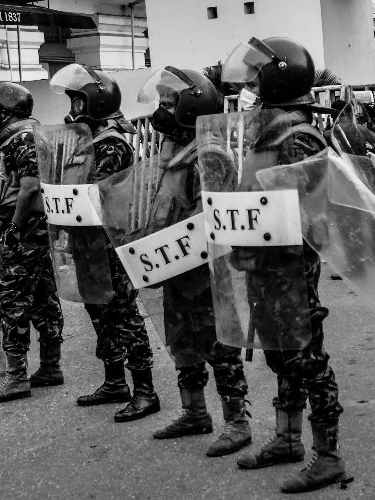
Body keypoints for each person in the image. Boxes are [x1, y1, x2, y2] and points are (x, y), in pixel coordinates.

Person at [217, 36, 350, 493]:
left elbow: (314, 211)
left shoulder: (298, 136)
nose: (249, 87)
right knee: (279, 353)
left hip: (290, 268)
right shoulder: (267, 131)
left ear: (277, 79)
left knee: (306, 357)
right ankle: (287, 439)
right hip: (261, 264)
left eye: (256, 78)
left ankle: (328, 456)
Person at [115, 66, 255, 457]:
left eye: (168, 102)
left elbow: (211, 220)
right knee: (181, 340)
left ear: (191, 105)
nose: (159, 110)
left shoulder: (209, 154)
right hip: (174, 267)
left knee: (218, 343)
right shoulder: (172, 150)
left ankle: (237, 421)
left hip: (204, 271)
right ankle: (194, 412)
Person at [51, 64, 160, 422]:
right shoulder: (87, 141)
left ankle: (145, 390)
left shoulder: (111, 144)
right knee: (98, 310)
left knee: (123, 315)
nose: (73, 107)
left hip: (111, 243)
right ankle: (115, 380)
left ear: (94, 102)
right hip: (87, 244)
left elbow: (99, 195)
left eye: (77, 100)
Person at [0, 82, 67, 404]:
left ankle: (15, 377)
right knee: (43, 297)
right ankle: (51, 367)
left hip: (28, 233)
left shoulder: (23, 138)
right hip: (35, 231)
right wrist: (2, 225)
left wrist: (13, 227)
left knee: (11, 302)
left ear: (8, 112)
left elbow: (28, 188)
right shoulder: (26, 137)